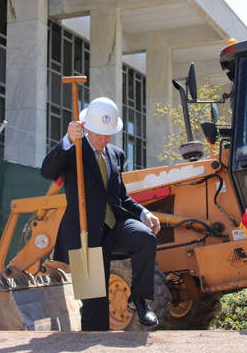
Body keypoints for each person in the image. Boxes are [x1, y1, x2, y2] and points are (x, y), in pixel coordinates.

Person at [41, 97, 161, 331]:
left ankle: (140, 301)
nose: (103, 140)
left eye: (108, 135)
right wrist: (66, 140)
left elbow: (121, 197)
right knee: (95, 309)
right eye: (99, 135)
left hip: (115, 227)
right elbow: (47, 171)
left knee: (146, 237)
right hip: (84, 236)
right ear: (86, 128)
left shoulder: (115, 154)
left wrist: (144, 213)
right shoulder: (73, 150)